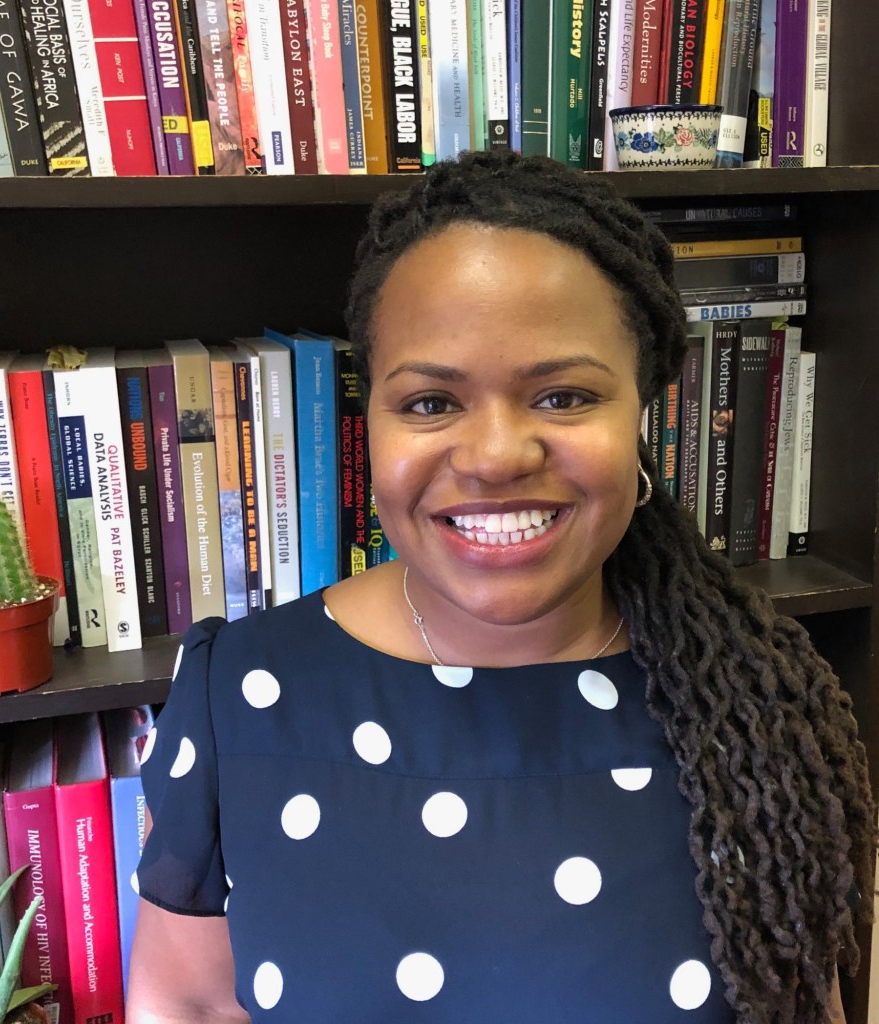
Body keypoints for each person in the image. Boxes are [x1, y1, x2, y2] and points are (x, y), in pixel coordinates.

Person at [127, 151, 874, 1024]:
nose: (494, 458)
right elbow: (187, 1003)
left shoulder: (762, 710)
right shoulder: (239, 693)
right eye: (431, 403)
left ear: (644, 412)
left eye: (563, 397)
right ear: (370, 421)